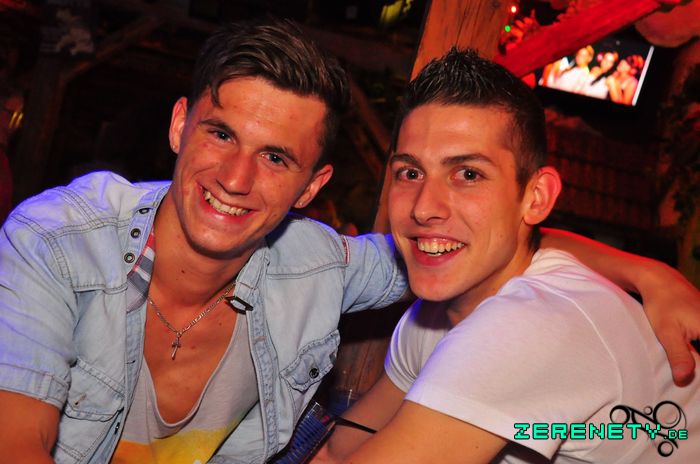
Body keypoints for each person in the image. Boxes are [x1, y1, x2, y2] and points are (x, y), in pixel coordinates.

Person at [0, 19, 697, 464]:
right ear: (181, 126)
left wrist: (643, 273)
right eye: (221, 134)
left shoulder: (319, 267)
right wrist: (642, 270)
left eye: (276, 158)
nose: (236, 178)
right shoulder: (56, 243)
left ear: (312, 185)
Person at [316, 49, 700, 463]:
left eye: (468, 174)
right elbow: (339, 449)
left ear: (535, 198)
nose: (424, 207)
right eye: (410, 173)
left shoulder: (530, 327)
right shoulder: (430, 320)